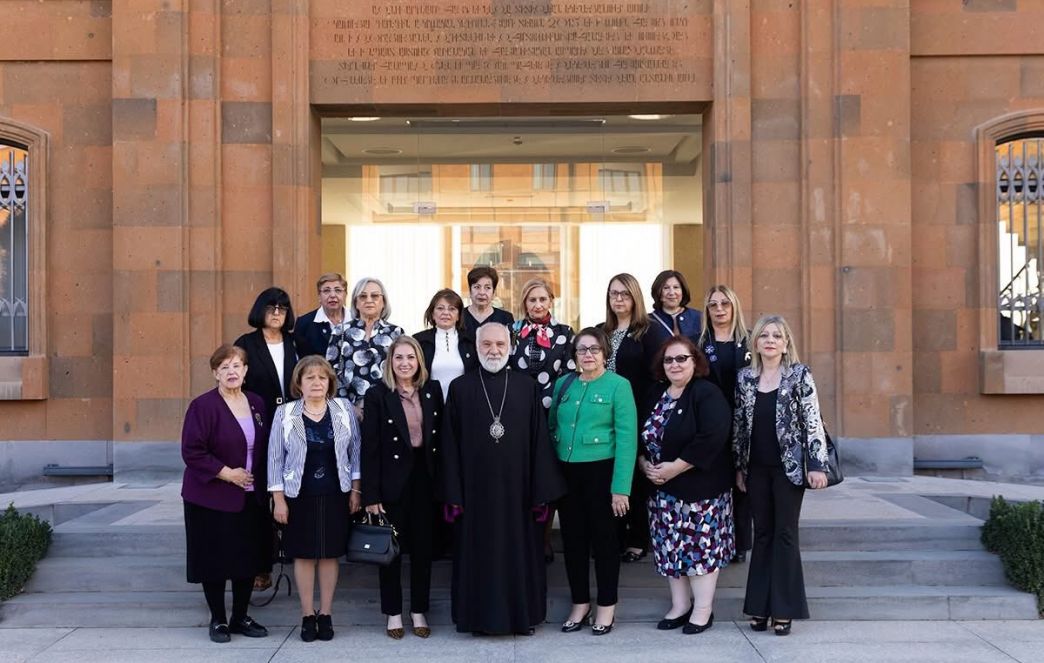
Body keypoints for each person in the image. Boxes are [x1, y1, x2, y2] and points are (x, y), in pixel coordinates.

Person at [441, 322, 566, 635]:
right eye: (487, 345)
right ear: (477, 347)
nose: (493, 351)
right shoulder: (460, 388)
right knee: (477, 557)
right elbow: (449, 445)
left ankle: (522, 617)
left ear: (510, 347)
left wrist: (541, 494)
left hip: (518, 495)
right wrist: (453, 495)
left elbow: (539, 442)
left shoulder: (526, 387)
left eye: (499, 344)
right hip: (474, 494)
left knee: (519, 555)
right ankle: (477, 619)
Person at [733, 315, 829, 636]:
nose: (770, 340)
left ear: (786, 343)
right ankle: (759, 608)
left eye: (777, 336)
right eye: (764, 336)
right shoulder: (745, 378)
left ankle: (784, 610)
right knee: (762, 534)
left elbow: (813, 420)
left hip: (789, 469)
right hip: (756, 469)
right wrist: (740, 467)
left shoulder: (799, 375)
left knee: (785, 534)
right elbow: (740, 426)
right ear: (756, 343)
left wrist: (817, 465)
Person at [640, 336, 734, 634]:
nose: (675, 365)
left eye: (682, 358)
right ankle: (680, 605)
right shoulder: (655, 392)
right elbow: (638, 434)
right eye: (669, 360)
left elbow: (712, 436)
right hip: (662, 493)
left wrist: (675, 468)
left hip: (700, 492)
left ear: (695, 361)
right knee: (670, 550)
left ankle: (703, 609)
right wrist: (645, 466)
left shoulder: (707, 393)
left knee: (699, 551)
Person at [548, 327, 637, 636]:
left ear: (604, 354)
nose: (587, 355)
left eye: (594, 349)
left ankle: (606, 606)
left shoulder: (618, 386)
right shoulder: (564, 385)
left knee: (605, 544)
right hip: (567, 473)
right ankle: (580, 603)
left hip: (603, 473)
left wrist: (620, 488)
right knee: (573, 543)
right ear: (574, 355)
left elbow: (627, 440)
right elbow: (552, 430)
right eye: (582, 350)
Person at [268, 356, 362, 642]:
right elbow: (274, 457)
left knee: (329, 553)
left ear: (330, 382)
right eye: (310, 378)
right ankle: (307, 614)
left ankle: (326, 613)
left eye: (322, 377)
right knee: (305, 554)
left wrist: (356, 490)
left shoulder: (343, 409)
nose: (316, 383)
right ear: (299, 383)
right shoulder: (285, 413)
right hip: (299, 495)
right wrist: (279, 499)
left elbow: (355, 451)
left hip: (337, 493)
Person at [181, 344, 269, 643]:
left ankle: (240, 616)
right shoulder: (203, 406)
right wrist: (228, 473)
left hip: (250, 496)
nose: (231, 371)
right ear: (215, 373)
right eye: (225, 367)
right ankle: (218, 619)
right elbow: (192, 451)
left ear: (245, 371)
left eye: (237, 366)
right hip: (210, 497)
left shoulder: (257, 403)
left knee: (246, 559)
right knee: (214, 560)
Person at [362, 335, 443, 640]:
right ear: (390, 362)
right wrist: (371, 494)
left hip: (426, 478)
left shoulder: (432, 391)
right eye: (399, 358)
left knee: (423, 548)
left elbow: (441, 440)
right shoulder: (378, 395)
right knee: (391, 551)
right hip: (392, 482)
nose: (405, 363)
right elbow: (369, 448)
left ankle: (418, 610)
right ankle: (393, 613)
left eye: (411, 357)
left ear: (419, 361)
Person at [234, 287, 299, 592]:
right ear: (260, 310)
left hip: (295, 426)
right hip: (260, 427)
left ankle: (296, 553)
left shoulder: (295, 342)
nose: (277, 313)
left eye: (283, 308)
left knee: (294, 490)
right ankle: (262, 565)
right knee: (263, 495)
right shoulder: (245, 345)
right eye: (272, 307)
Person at [597, 273, 657, 564]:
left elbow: (657, 377)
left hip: (636, 413)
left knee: (634, 476)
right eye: (613, 294)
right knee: (609, 475)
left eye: (624, 294)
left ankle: (637, 538)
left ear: (635, 297)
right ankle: (615, 535)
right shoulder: (601, 332)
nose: (618, 299)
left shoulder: (649, 331)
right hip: (601, 417)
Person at [697, 284, 753, 563]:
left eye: (725, 304)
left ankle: (741, 542)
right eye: (713, 305)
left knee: (742, 483)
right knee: (718, 482)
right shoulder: (697, 343)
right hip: (712, 423)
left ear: (734, 307)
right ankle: (718, 539)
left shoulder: (751, 340)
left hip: (746, 423)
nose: (719, 309)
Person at [328, 277, 404, 413]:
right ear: (356, 303)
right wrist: (349, 408)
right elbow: (331, 373)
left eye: (375, 296)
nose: (369, 300)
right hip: (349, 410)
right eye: (363, 296)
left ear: (383, 302)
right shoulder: (340, 332)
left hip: (388, 409)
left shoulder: (396, 333)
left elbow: (403, 372)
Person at [509, 277, 576, 411]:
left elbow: (568, 373)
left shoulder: (565, 332)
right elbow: (507, 370)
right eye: (532, 300)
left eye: (543, 299)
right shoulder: (511, 330)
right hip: (517, 404)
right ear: (525, 303)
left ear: (550, 301)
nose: (538, 305)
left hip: (553, 406)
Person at [413, 288, 478, 402]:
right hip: (429, 405)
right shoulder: (419, 341)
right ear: (433, 314)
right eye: (440, 308)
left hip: (463, 403)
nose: (446, 313)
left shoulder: (471, 341)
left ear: (458, 316)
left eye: (452, 309)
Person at [294, 273, 348, 359]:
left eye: (338, 290)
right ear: (319, 296)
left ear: (345, 294)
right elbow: (302, 362)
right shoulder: (304, 324)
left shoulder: (357, 320)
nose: (333, 295)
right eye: (326, 291)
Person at [646, 270, 702, 350]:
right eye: (666, 288)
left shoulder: (699, 317)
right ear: (658, 292)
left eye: (676, 287)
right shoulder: (648, 321)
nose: (672, 292)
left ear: (683, 291)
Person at [462, 265, 514, 335]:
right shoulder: (459, 317)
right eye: (477, 287)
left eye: (487, 287)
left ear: (494, 292)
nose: (482, 292)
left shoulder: (505, 318)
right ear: (470, 290)